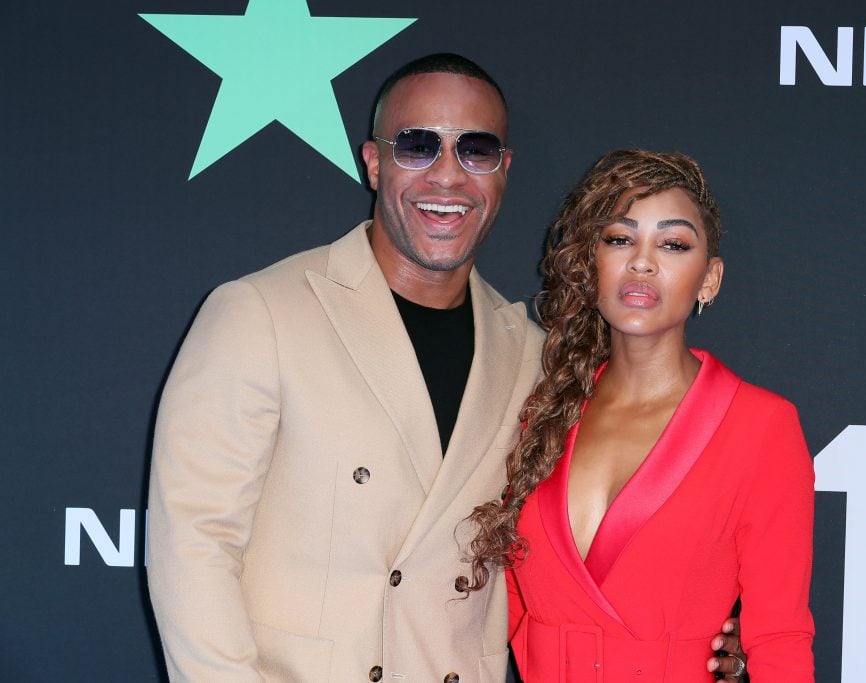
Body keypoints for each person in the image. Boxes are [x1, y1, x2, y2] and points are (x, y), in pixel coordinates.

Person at [147, 52, 747, 682]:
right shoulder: (260, 314)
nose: (447, 177)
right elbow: (193, 548)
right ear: (374, 163)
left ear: (503, 171)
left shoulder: (536, 359)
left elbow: (568, 560)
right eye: (417, 146)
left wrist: (698, 639)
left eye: (476, 150)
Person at [468, 149, 815, 681]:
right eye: (620, 239)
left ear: (710, 279)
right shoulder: (538, 409)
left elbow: (781, 639)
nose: (642, 261)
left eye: (673, 244)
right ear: (592, 263)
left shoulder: (760, 427)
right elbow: (505, 606)